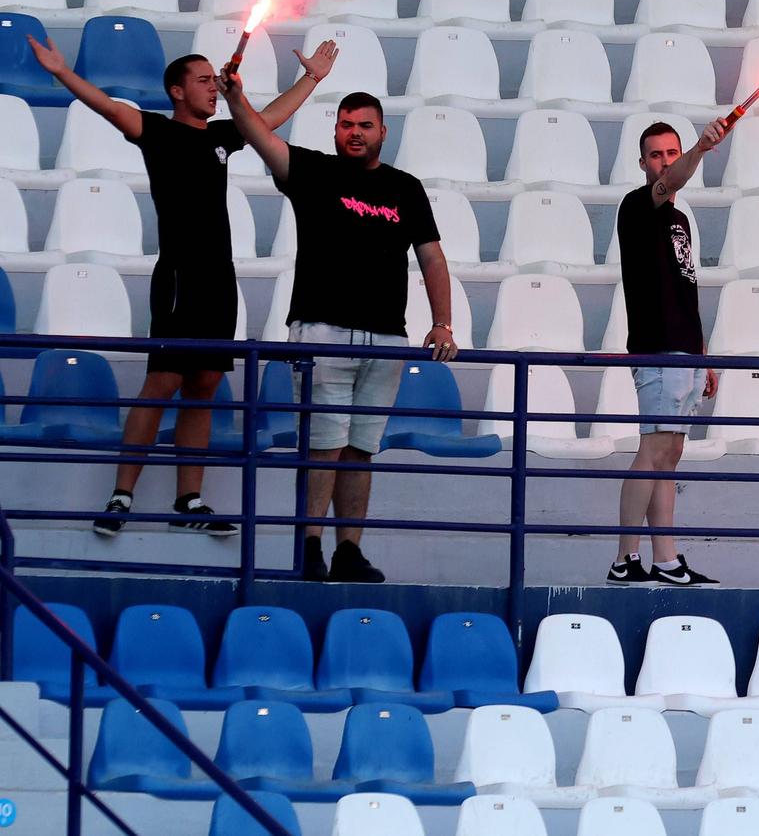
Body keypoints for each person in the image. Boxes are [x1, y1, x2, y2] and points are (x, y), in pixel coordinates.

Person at [25, 33, 338, 537]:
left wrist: (312, 78)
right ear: (176, 90)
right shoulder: (155, 131)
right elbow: (106, 105)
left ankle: (188, 501)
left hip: (219, 279)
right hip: (178, 277)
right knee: (163, 382)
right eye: (203, 80)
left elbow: (270, 120)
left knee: (205, 385)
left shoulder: (221, 136)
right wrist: (62, 72)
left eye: (215, 80)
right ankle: (121, 495)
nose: (214, 88)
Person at [222, 80, 454, 583]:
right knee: (323, 445)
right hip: (322, 332)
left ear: (383, 132)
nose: (354, 133)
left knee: (361, 448)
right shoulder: (313, 171)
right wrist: (238, 97)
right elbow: (257, 135)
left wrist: (442, 321)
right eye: (346, 124)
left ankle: (348, 550)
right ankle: (309, 546)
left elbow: (431, 256)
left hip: (387, 337)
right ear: (335, 130)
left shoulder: (405, 187)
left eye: (364, 125)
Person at [607, 119, 733, 585]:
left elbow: (686, 290)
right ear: (643, 163)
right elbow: (672, 181)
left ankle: (666, 558)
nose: (665, 160)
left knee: (670, 454)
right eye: (656, 154)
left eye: (671, 151)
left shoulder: (681, 221)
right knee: (652, 451)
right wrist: (701, 147)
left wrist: (703, 355)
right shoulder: (638, 205)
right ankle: (624, 558)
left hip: (685, 351)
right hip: (656, 349)